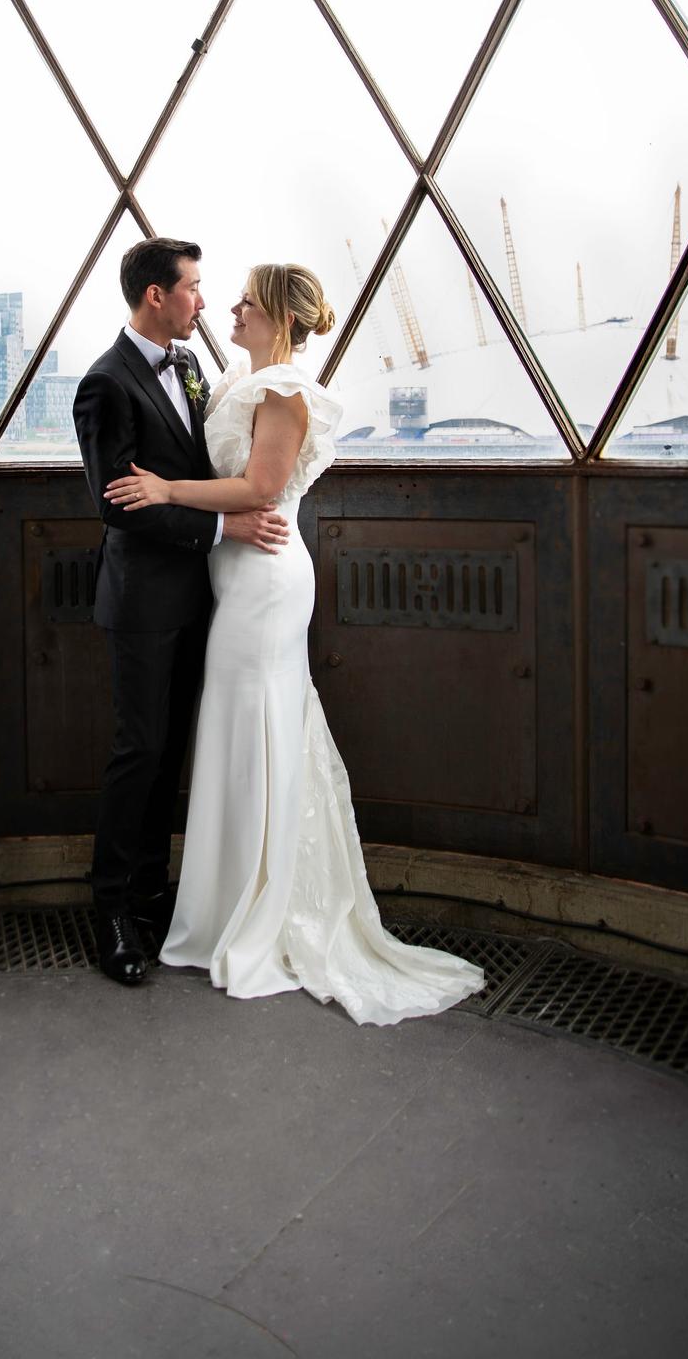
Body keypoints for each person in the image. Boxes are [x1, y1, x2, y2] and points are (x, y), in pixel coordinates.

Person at [104, 263, 484, 1027]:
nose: (230, 308)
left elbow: (264, 489)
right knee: (244, 728)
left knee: (256, 724)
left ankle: (256, 907)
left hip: (265, 581)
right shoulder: (242, 382)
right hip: (236, 577)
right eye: (227, 294)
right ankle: (234, 899)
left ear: (277, 317)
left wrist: (168, 490)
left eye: (246, 299)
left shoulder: (283, 392)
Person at [73, 238, 291, 989]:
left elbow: (195, 475)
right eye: (194, 288)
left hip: (205, 594)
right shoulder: (104, 384)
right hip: (141, 600)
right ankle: (110, 912)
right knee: (139, 751)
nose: (204, 300)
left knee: (170, 757)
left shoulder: (192, 368)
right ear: (156, 296)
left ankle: (153, 898)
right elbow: (119, 506)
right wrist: (224, 528)